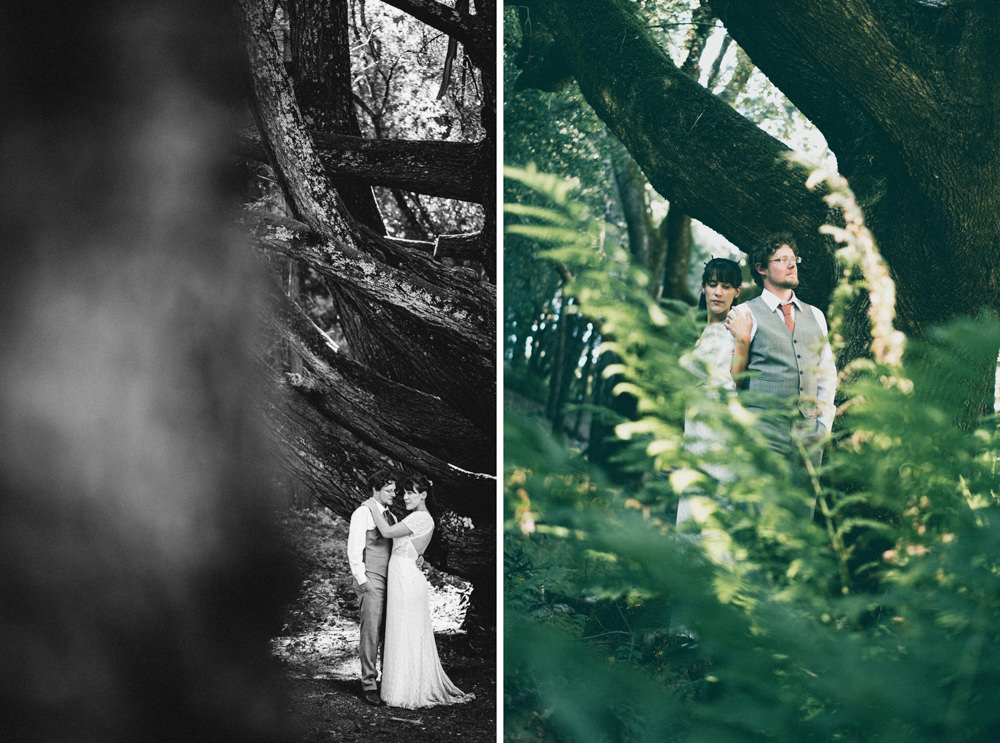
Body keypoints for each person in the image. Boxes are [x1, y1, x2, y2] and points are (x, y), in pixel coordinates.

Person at [727, 232, 837, 506]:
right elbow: (730, 379)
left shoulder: (816, 316)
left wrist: (823, 425)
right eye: (782, 259)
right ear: (761, 269)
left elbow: (827, 372)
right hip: (762, 431)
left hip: (809, 434)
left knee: (802, 517)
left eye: (794, 258)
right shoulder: (744, 313)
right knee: (759, 514)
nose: (792, 264)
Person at [363, 475, 474, 709]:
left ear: (423, 495)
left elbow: (386, 532)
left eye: (410, 493)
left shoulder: (421, 517)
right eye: (403, 493)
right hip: (404, 574)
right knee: (401, 631)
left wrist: (372, 504)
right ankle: (399, 685)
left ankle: (406, 689)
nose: (405, 497)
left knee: (405, 632)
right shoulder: (419, 518)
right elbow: (411, 547)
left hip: (406, 578)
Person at [677, 257, 751, 526]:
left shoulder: (736, 329)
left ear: (737, 292)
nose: (718, 292)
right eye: (712, 284)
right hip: (693, 431)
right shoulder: (696, 331)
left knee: (714, 509)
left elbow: (738, 381)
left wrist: (742, 341)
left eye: (726, 286)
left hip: (721, 431)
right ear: (703, 288)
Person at [347, 468, 399, 706]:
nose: (393, 494)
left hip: (391, 581)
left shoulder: (392, 516)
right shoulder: (362, 513)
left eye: (395, 490)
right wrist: (363, 581)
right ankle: (369, 683)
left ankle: (387, 682)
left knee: (389, 631)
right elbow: (354, 549)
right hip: (371, 579)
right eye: (388, 490)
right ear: (375, 490)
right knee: (370, 633)